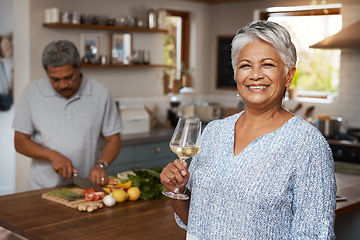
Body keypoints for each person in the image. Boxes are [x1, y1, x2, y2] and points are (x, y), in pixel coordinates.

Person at [160, 20, 336, 239]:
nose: (255, 75)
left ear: (289, 75)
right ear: (236, 75)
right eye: (245, 65)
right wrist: (179, 189)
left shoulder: (308, 145)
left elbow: (315, 235)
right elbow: (194, 222)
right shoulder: (214, 132)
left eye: (268, 64)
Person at [13, 40, 122, 191]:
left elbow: (114, 139)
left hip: (84, 189)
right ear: (47, 73)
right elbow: (20, 141)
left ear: (79, 67)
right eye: (55, 80)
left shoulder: (101, 93)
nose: (63, 84)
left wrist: (101, 164)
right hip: (41, 189)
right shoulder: (32, 92)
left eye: (68, 77)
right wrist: (52, 155)